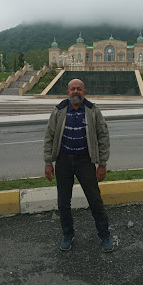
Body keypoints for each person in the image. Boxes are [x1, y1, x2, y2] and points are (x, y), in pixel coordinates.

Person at [43, 78, 113, 252]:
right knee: (63, 202)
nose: (76, 92)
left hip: (85, 162)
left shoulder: (92, 111)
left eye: (79, 89)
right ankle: (68, 234)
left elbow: (103, 137)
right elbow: (49, 137)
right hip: (63, 162)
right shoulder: (59, 111)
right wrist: (48, 162)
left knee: (95, 200)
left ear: (84, 92)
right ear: (67, 92)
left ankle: (104, 235)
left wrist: (102, 164)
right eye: (72, 89)